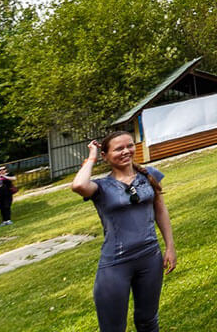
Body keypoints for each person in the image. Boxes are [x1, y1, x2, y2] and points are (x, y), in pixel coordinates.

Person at [71, 131, 176, 332]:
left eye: (129, 145)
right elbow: (78, 184)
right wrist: (92, 156)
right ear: (105, 155)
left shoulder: (149, 175)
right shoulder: (100, 187)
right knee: (113, 328)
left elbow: (160, 210)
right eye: (118, 149)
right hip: (116, 264)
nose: (126, 151)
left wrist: (170, 246)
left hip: (150, 259)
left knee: (148, 321)